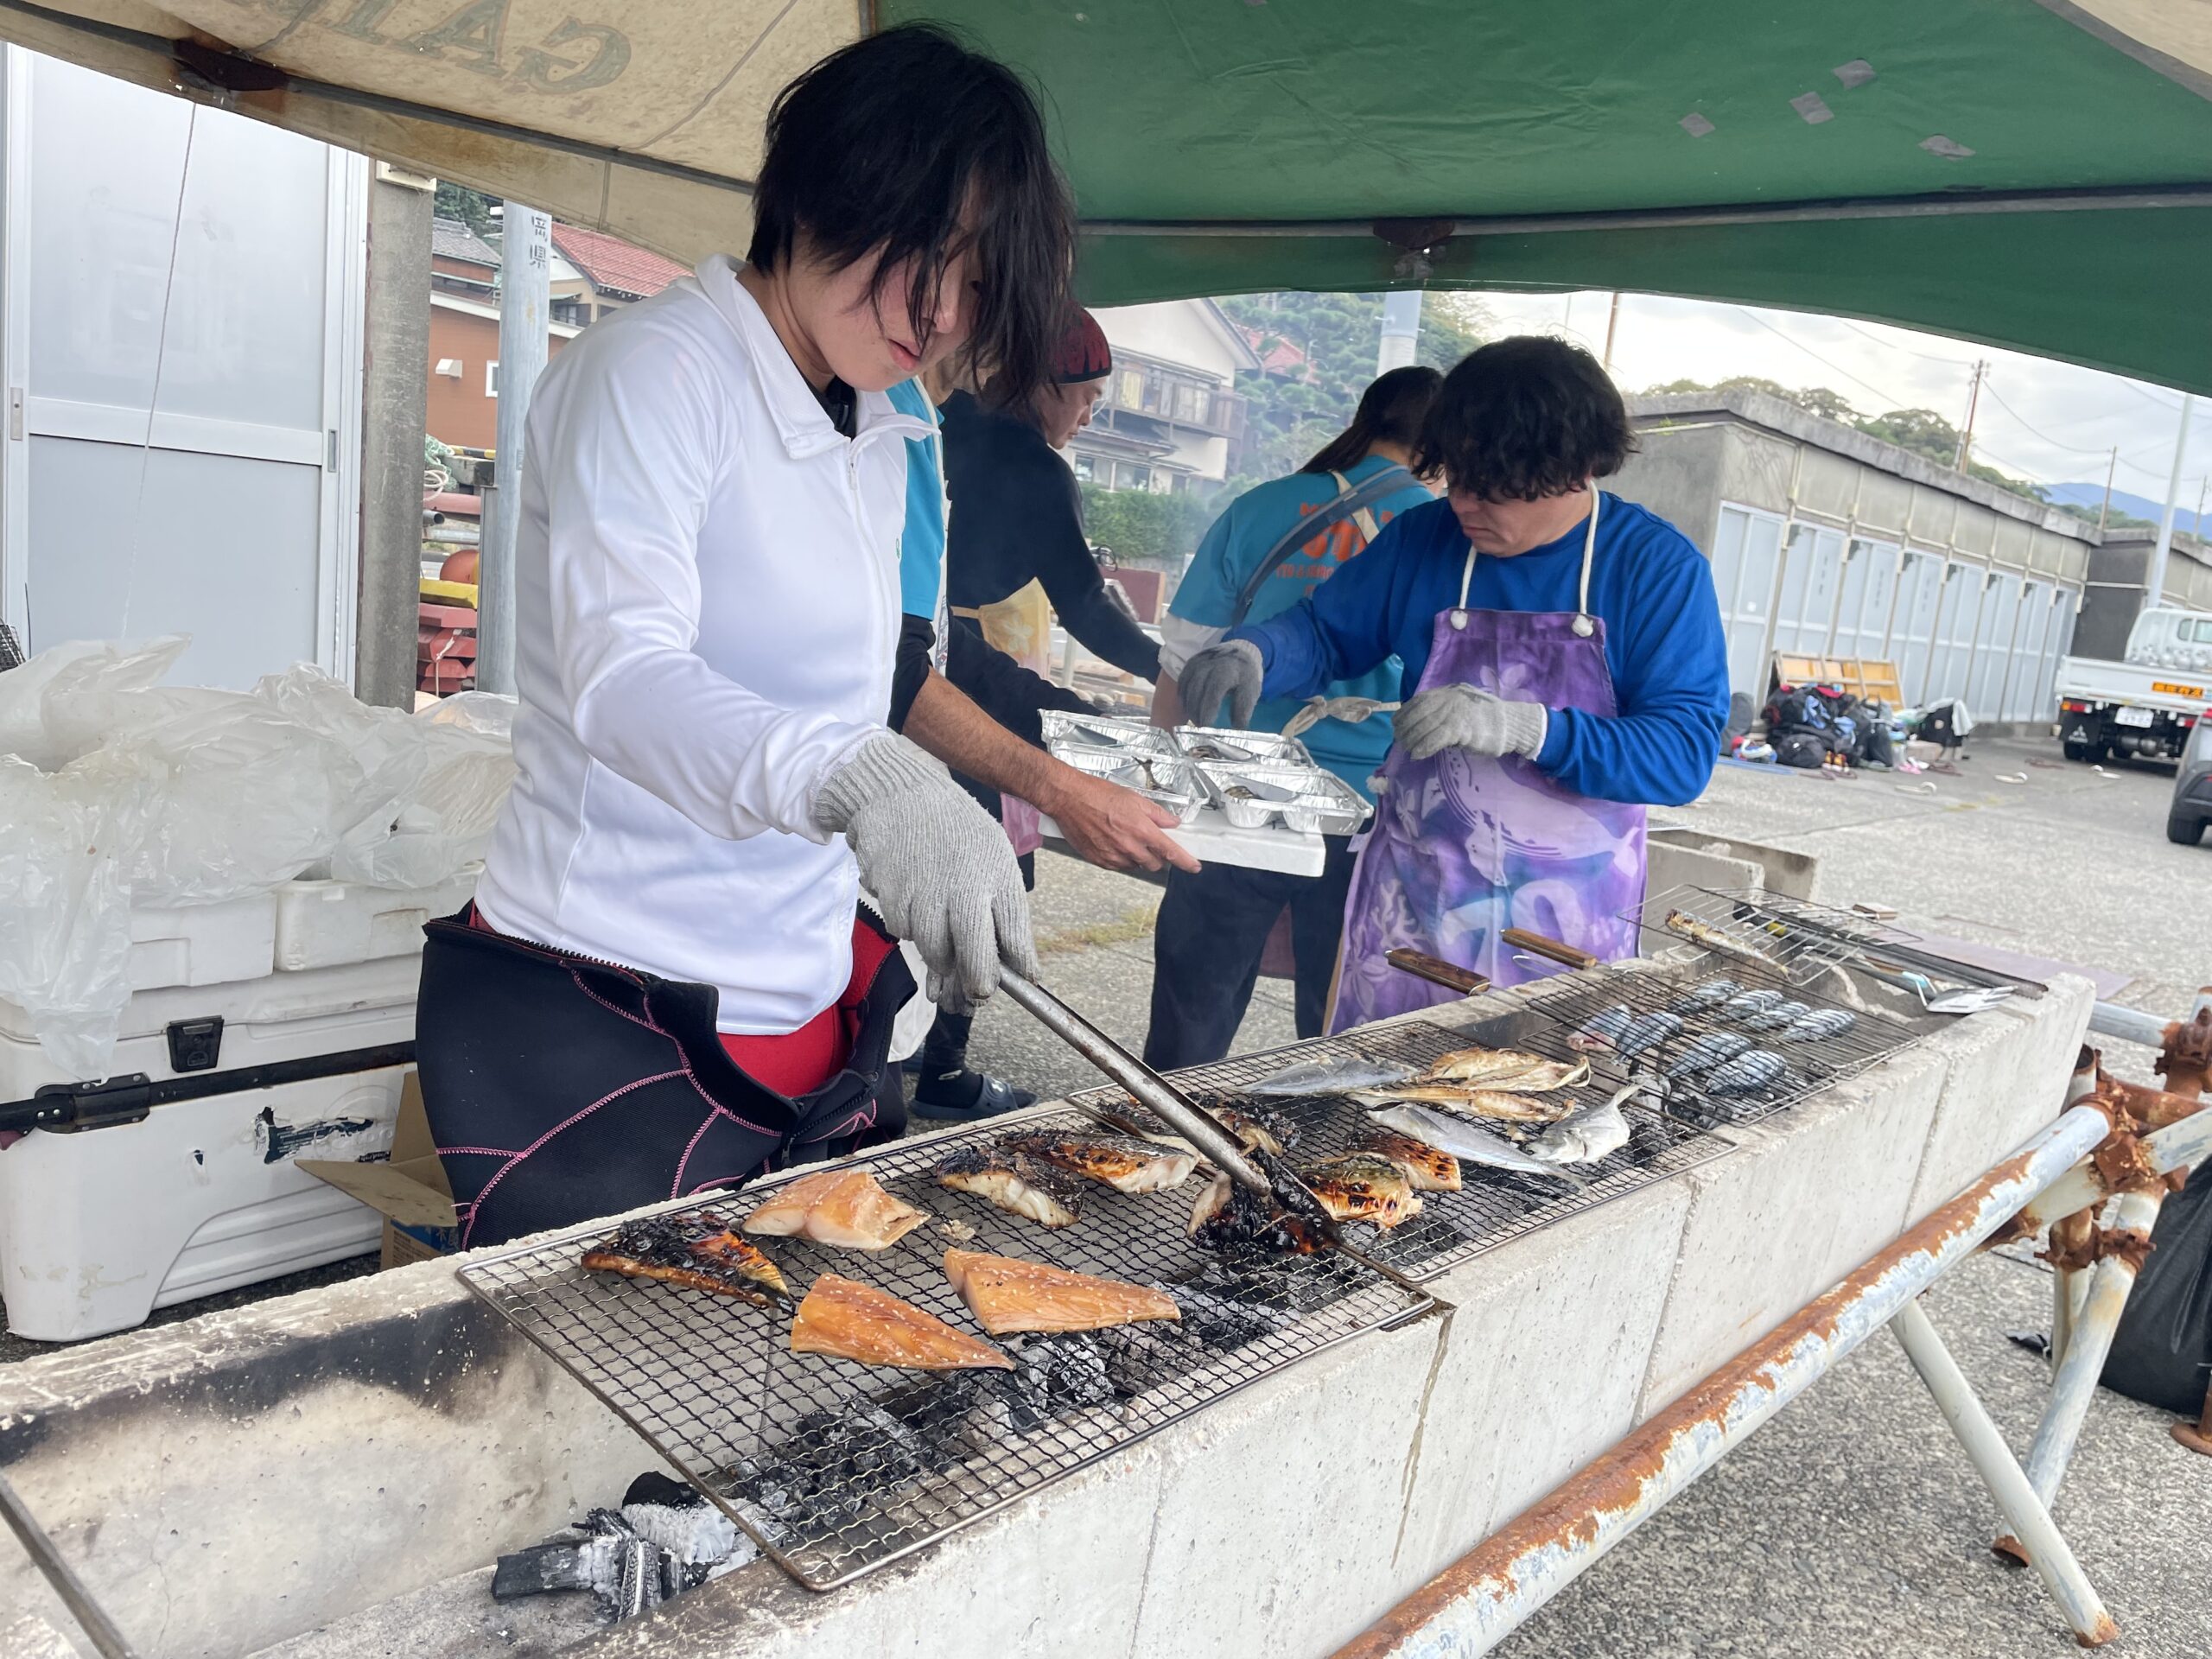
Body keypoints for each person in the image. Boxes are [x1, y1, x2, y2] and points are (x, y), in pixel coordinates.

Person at [410, 26, 1076, 1248]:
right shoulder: (656, 373)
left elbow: (855, 673)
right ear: (824, 191)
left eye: (977, 284)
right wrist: (871, 778)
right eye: (927, 255)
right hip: (613, 993)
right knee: (609, 1351)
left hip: (800, 981)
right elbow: (623, 676)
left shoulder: (885, 419)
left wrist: (931, 823)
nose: (942, 314)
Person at [1177, 336, 1729, 1032]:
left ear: (1575, 470)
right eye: (1459, 476)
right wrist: (1256, 652)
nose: (1465, 503)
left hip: (1564, 924)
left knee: (1531, 1083)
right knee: (1377, 1078)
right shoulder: (1423, 538)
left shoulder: (1656, 569)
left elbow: (1681, 755)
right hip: (1415, 901)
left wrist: (1524, 727)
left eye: (1494, 487)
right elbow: (1326, 631)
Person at [882, 368, 1193, 1120]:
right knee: (978, 871)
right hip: (941, 692)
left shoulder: (935, 423)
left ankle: (901, 1041)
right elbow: (1081, 602)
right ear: (1041, 378)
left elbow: (937, 645)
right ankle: (938, 1070)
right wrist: (1159, 669)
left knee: (908, 875)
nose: (1089, 414)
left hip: (960, 672)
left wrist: (1066, 712)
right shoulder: (999, 452)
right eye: (1087, 394)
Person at [1142, 367, 1441, 1069]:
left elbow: (1183, 661)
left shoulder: (1261, 507)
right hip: (1371, 806)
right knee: (1340, 1019)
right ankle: (1330, 1136)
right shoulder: (1435, 531)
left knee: (1194, 1002)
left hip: (1237, 791)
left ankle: (1160, 1123)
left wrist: (1166, 790)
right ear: (1442, 446)